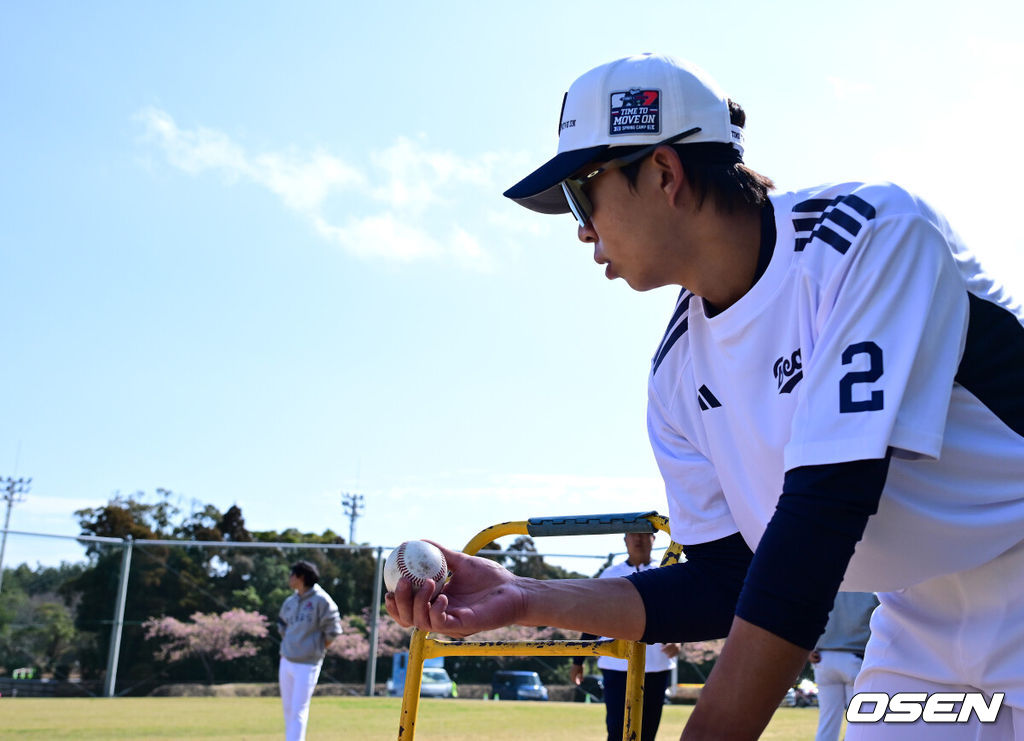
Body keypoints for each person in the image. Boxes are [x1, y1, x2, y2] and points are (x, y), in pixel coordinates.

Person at [386, 53, 1024, 740]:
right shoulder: (675, 374)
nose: (580, 227)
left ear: (664, 172)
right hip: (917, 623)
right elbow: (729, 582)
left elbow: (820, 526)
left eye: (582, 193)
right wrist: (522, 597)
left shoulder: (870, 235)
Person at [571, 532, 681, 741]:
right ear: (625, 540)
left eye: (644, 534)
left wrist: (678, 639)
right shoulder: (610, 575)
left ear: (654, 539)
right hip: (616, 664)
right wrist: (578, 660)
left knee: (648, 731)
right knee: (616, 729)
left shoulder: (667, 571)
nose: (638, 539)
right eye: (633, 534)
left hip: (656, 666)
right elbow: (593, 619)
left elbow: (681, 614)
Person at [277, 560, 342, 741]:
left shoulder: (322, 600)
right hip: (287, 659)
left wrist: (316, 649)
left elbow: (333, 630)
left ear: (301, 577)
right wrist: (291, 643)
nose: (289, 578)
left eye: (292, 574)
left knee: (298, 710)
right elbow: (281, 624)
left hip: (307, 664)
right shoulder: (290, 600)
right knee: (288, 709)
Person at [809, 592, 878, 741]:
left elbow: (809, 615)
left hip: (823, 658)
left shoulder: (828, 586)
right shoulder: (871, 590)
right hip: (856, 657)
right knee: (859, 722)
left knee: (827, 723)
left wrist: (809, 648)